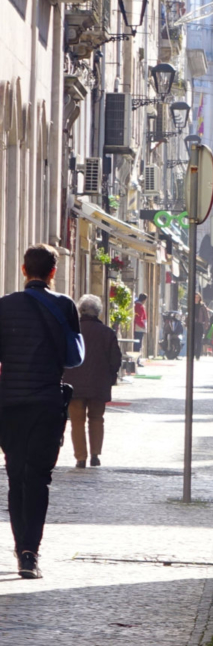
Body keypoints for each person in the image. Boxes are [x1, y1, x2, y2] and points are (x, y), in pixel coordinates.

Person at [0, 244, 83, 579]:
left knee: (15, 475)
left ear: (24, 270)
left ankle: (21, 545)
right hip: (47, 404)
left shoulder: (4, 306)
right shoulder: (64, 306)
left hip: (9, 405)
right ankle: (29, 554)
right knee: (37, 479)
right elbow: (75, 358)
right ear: (53, 272)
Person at [66, 294, 122, 468]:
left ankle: (80, 457)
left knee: (77, 421)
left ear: (80, 311)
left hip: (74, 384)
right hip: (99, 383)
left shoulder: (71, 331)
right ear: (98, 312)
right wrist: (110, 377)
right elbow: (116, 359)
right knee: (97, 418)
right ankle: (95, 455)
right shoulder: (107, 333)